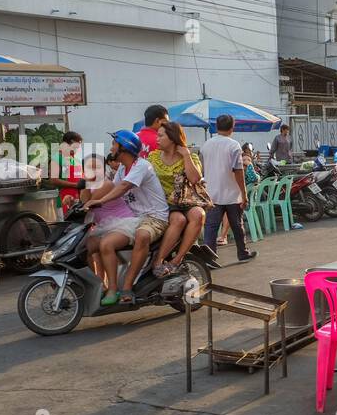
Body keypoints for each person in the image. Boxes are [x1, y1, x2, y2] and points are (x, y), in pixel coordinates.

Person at [84, 129, 169, 305]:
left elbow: (122, 188)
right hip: (135, 218)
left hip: (155, 217)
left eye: (114, 144)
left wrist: (99, 200)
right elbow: (112, 188)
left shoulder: (142, 166)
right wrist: (88, 197)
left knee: (142, 235)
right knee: (98, 243)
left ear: (123, 147)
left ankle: (128, 287)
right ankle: (110, 289)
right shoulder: (122, 168)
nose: (111, 147)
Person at [146, 120, 210, 276]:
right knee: (179, 220)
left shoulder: (191, 156)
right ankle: (159, 261)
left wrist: (186, 155)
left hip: (187, 201)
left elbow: (195, 179)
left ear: (173, 138)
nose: (157, 139)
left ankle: (177, 260)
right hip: (165, 204)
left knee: (198, 214)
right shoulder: (153, 157)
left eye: (161, 136)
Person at [202, 113, 257, 263]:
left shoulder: (206, 145)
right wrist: (244, 194)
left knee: (211, 228)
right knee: (237, 226)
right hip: (232, 193)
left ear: (216, 126)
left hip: (212, 193)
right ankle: (242, 252)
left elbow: (203, 169)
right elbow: (238, 171)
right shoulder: (233, 145)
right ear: (232, 127)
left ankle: (209, 258)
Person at [79, 152, 137, 290]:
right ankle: (97, 284)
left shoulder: (107, 184)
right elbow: (82, 204)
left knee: (106, 245)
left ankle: (112, 288)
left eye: (97, 167)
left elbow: (87, 203)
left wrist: (83, 188)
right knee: (82, 248)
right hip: (104, 227)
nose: (93, 171)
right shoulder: (90, 186)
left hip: (122, 223)